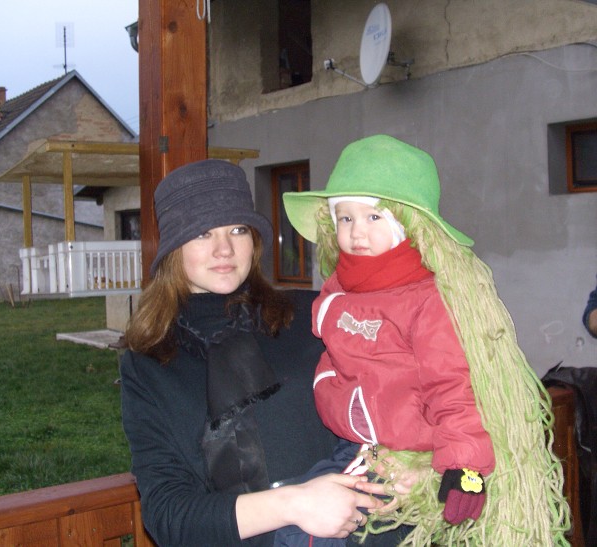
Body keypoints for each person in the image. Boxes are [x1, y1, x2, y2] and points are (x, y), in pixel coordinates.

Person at [282, 135, 571, 546]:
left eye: (374, 216)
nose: (357, 231)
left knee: (305, 535)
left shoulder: (425, 300)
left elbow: (453, 385)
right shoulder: (338, 291)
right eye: (345, 218)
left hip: (403, 457)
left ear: (407, 224)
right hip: (354, 444)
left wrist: (464, 469)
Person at [120, 159, 387, 546]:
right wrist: (294, 504)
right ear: (173, 247)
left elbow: (400, 384)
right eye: (202, 233)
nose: (224, 249)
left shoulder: (315, 315)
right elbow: (168, 514)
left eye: (237, 229)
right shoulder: (148, 364)